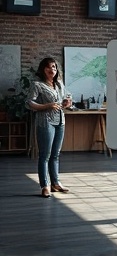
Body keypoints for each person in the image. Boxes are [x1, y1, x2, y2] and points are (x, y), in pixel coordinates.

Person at [25, 57, 72, 198]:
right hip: (45, 122)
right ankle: (44, 186)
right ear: (43, 69)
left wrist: (67, 103)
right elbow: (29, 103)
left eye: (54, 67)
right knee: (44, 155)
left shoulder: (59, 84)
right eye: (48, 67)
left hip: (60, 122)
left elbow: (64, 99)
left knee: (55, 155)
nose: (52, 69)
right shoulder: (37, 85)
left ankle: (55, 183)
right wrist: (47, 106)